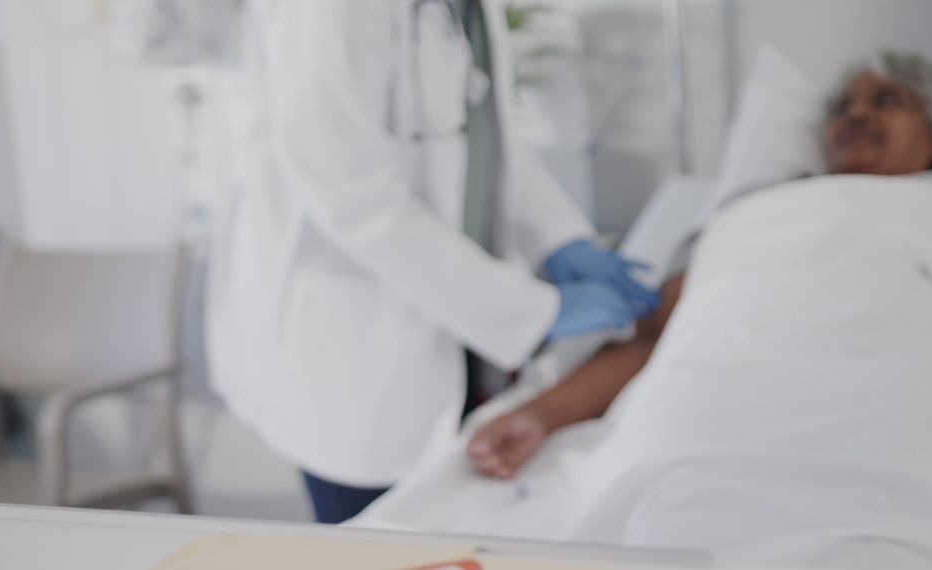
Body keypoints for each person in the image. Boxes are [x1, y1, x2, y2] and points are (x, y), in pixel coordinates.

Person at [467, 50, 932, 481]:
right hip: (734, 395)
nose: (855, 116)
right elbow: (657, 336)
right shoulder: (752, 210)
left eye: (885, 101)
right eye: (842, 108)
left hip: (918, 398)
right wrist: (539, 415)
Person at [205, 0, 658, 524]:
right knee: (373, 542)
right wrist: (533, 311)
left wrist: (559, 238)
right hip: (353, 350)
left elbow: (483, 131)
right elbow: (353, 196)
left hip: (445, 337)